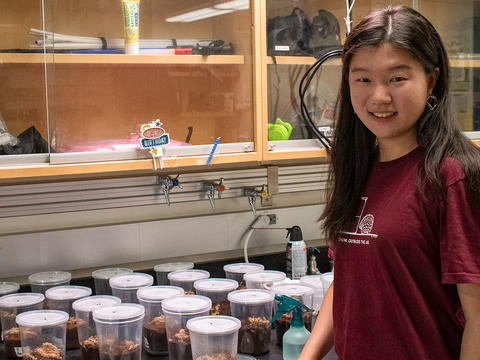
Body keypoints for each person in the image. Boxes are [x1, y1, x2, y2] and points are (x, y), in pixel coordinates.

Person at [299, 5, 480, 360]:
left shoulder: (451, 175)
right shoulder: (356, 166)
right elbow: (347, 282)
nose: (378, 97)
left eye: (397, 78)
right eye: (363, 78)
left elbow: (478, 318)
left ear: (431, 80)